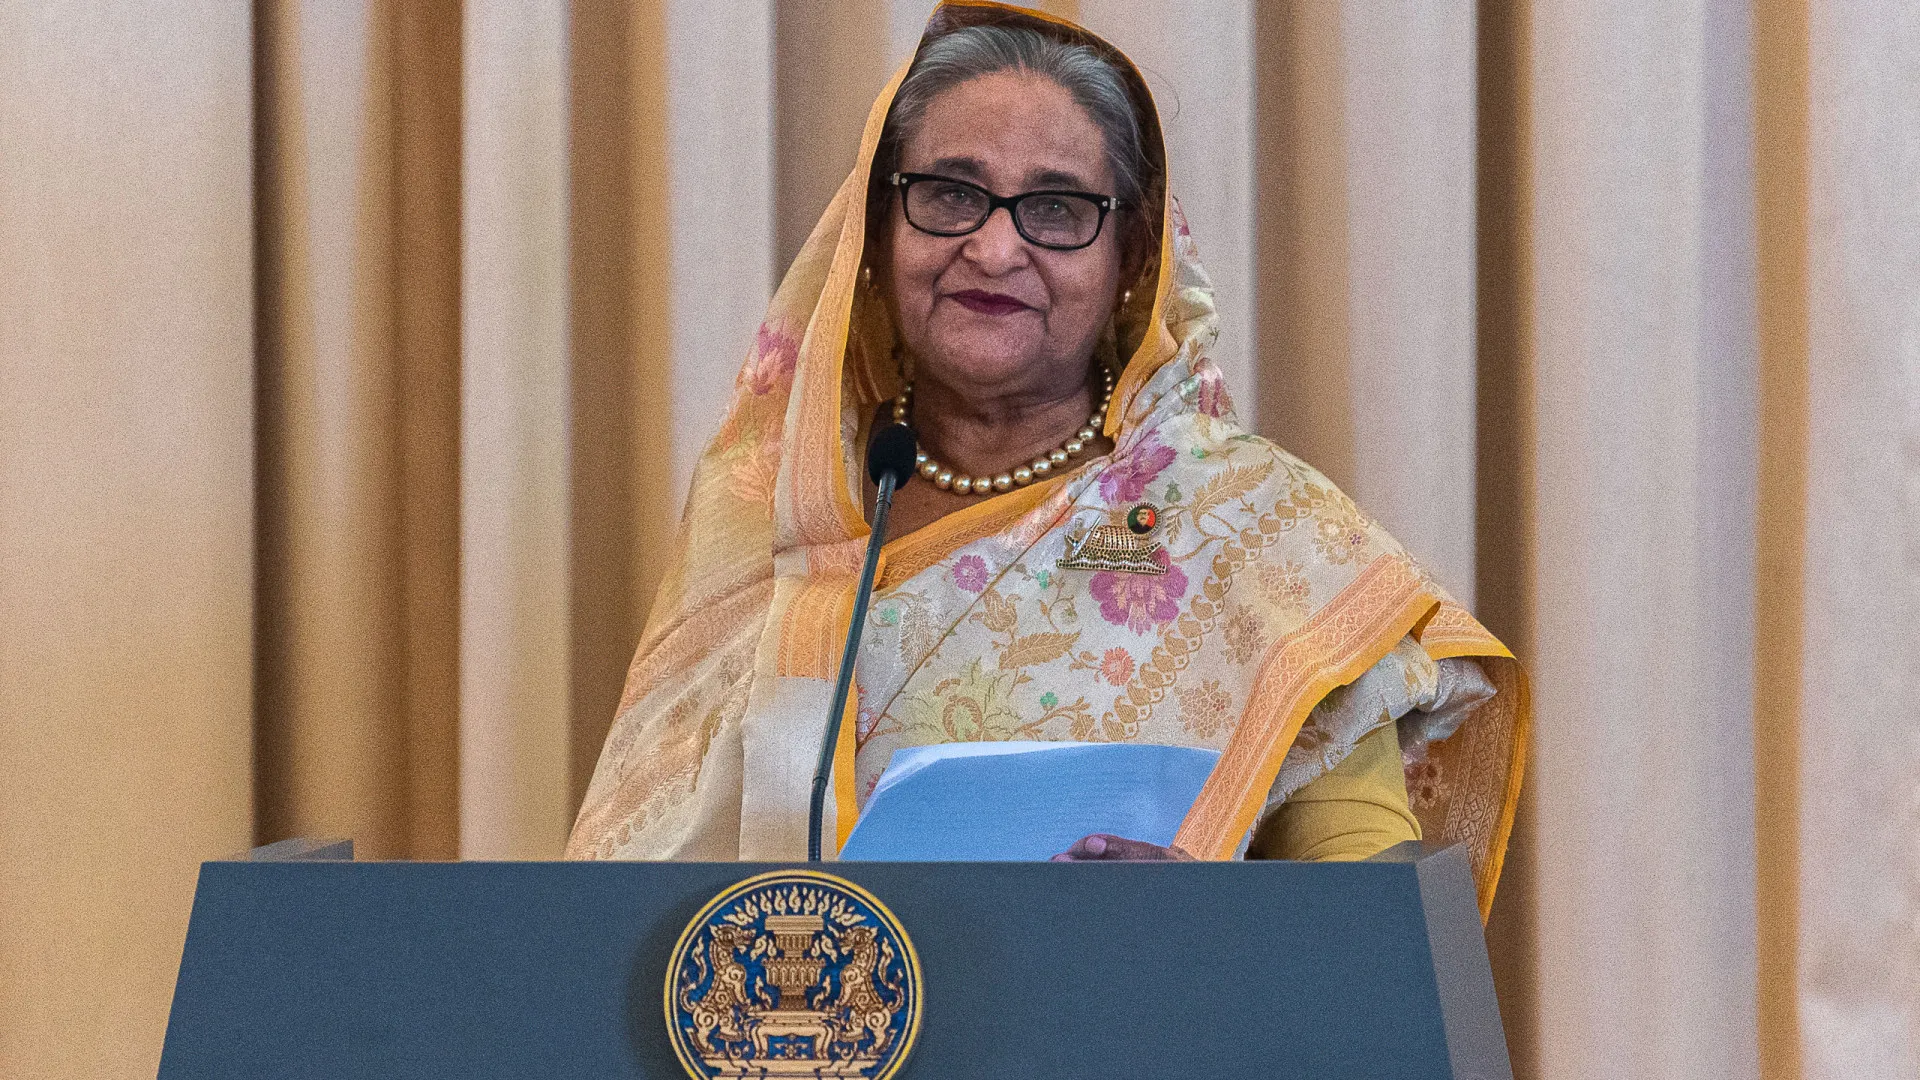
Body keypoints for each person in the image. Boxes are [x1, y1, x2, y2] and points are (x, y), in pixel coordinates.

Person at [568, 1, 1526, 914]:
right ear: (877, 229)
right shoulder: (777, 510)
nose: (993, 249)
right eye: (951, 195)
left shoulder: (1259, 532)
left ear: (1131, 256)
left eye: (1058, 208)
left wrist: (1216, 919)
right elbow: (631, 883)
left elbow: (1374, 922)